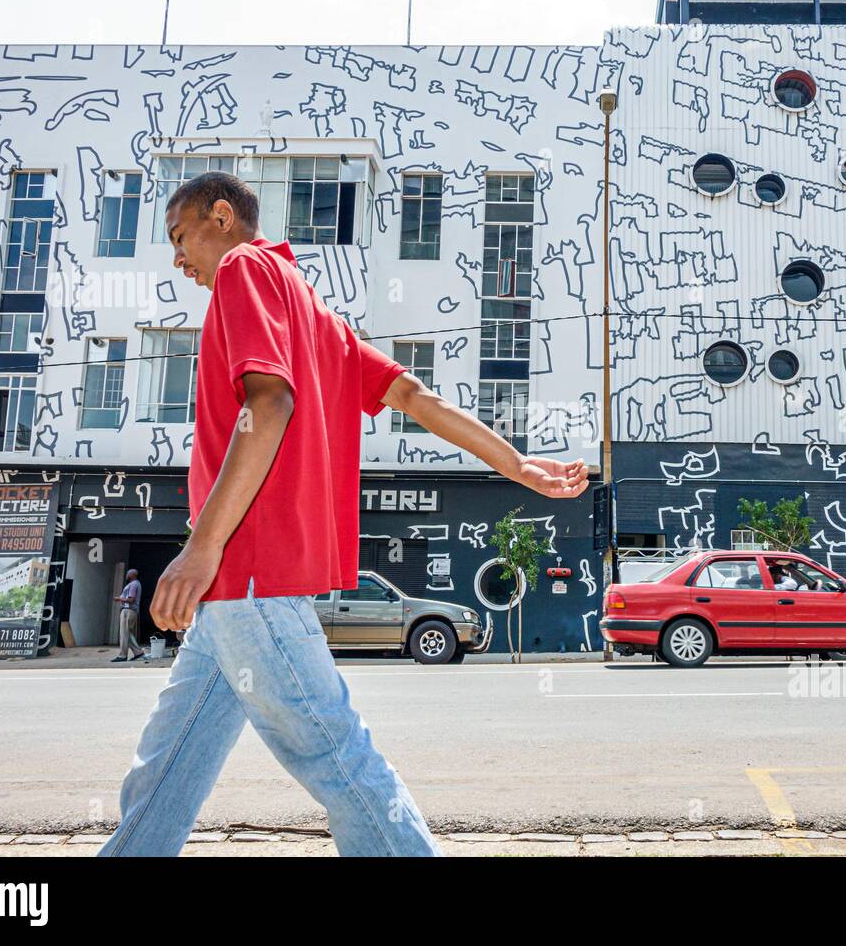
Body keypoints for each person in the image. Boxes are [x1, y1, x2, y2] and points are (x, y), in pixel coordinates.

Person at [99, 172, 588, 858]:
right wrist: (517, 465)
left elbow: (268, 405)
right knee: (164, 774)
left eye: (180, 238)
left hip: (249, 580)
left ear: (220, 217)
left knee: (342, 766)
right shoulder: (316, 314)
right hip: (233, 601)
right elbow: (415, 397)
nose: (178, 260)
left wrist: (202, 547)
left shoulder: (244, 266)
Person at [111, 568, 145, 662]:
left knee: (124, 633)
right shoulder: (133, 584)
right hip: (129, 610)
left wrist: (119, 599)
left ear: (133, 575)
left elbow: (131, 599)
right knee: (127, 633)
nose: (126, 574)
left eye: (128, 573)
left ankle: (123, 655)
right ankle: (138, 652)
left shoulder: (134, 584)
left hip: (129, 610)